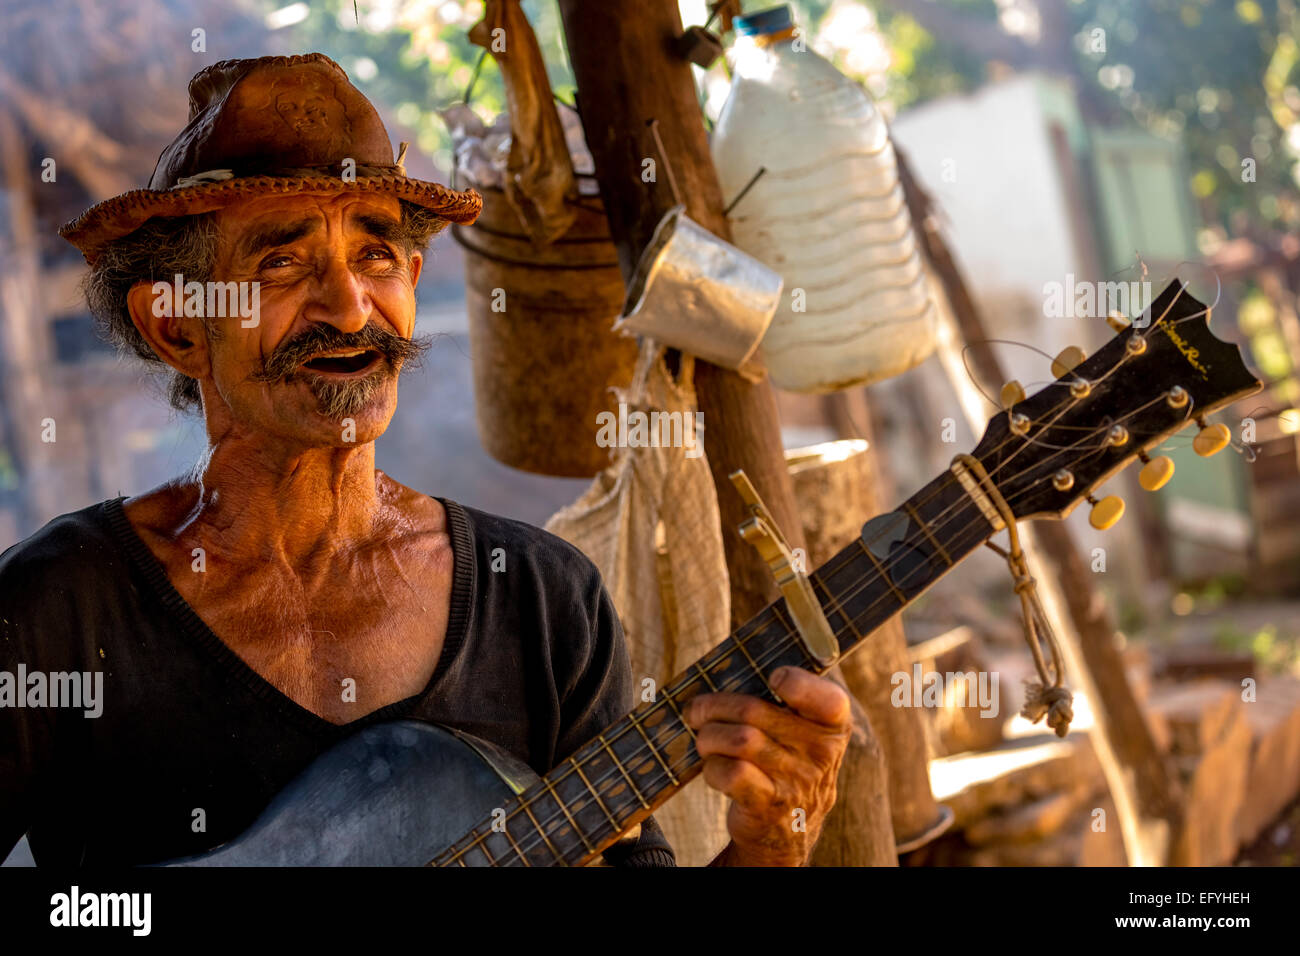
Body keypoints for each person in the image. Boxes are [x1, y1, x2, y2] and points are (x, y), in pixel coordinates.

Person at [0, 53, 850, 867]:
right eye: (283, 261)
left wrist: (771, 846)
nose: (348, 307)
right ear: (178, 326)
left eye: (375, 257)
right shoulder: (61, 609)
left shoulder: (546, 602)